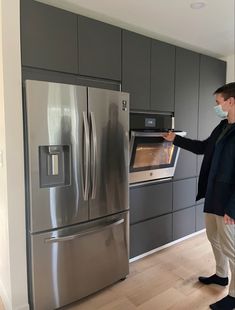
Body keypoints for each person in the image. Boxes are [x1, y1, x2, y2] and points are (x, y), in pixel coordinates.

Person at [163, 82, 235, 310]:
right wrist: (176, 139)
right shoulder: (222, 126)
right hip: (213, 194)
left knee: (232, 248)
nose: (216, 106)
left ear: (231, 101)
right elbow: (203, 147)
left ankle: (234, 296)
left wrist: (232, 208)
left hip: (228, 201)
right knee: (214, 238)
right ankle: (221, 275)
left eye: (218, 102)